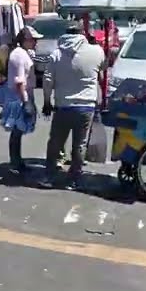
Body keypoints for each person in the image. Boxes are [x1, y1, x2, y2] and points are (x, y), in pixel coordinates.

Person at [41, 23, 106, 189]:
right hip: (86, 106)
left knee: (55, 142)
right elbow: (103, 70)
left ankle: (49, 176)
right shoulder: (96, 51)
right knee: (80, 144)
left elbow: (48, 80)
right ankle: (73, 179)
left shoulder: (56, 54)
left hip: (63, 105)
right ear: (82, 34)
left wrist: (47, 102)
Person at [4, 27, 42, 173]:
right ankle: (15, 162)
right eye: (34, 40)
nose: (36, 43)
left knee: (18, 130)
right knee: (17, 130)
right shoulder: (19, 55)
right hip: (19, 96)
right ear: (25, 40)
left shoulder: (22, 53)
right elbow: (19, 81)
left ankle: (16, 160)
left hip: (19, 95)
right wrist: (26, 102)